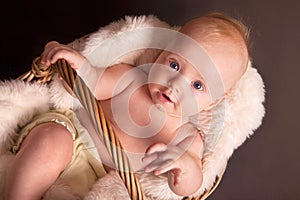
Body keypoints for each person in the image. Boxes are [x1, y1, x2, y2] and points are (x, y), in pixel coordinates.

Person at [4, 12, 250, 199]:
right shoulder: (132, 79)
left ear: (214, 102)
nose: (176, 84)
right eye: (174, 65)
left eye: (198, 86)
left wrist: (183, 167)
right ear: (162, 53)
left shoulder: (188, 136)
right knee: (51, 140)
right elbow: (90, 83)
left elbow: (191, 185)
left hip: (96, 179)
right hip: (73, 136)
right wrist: (74, 61)